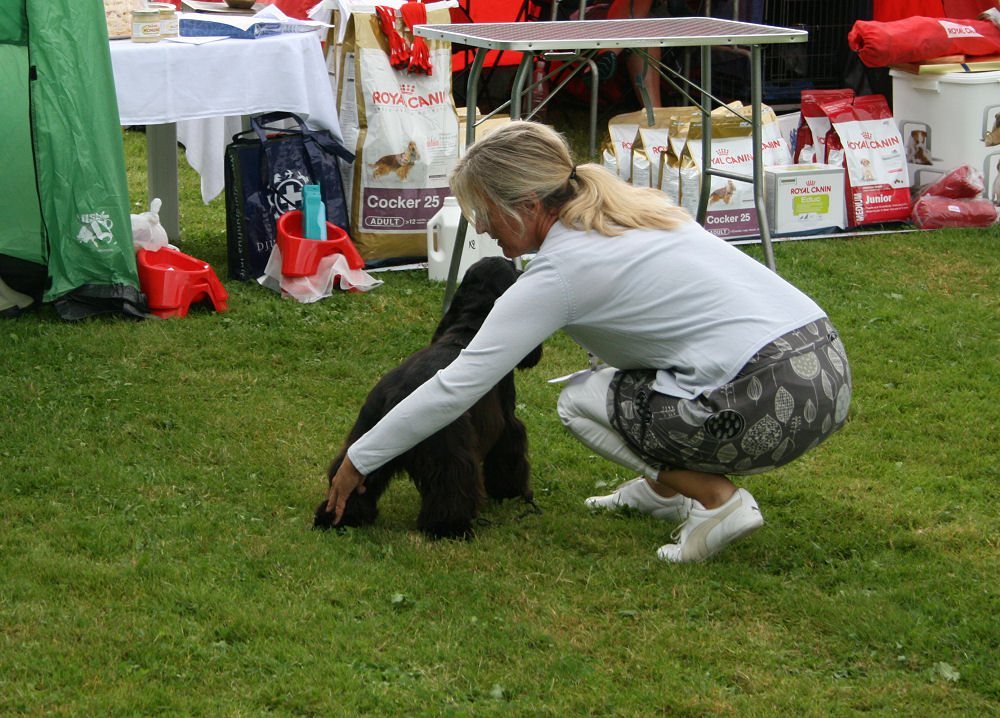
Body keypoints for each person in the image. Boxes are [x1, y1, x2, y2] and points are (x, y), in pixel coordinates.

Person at [326, 120, 852, 563]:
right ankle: (665, 492)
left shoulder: (558, 273)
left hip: (779, 400)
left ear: (528, 205)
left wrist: (360, 458)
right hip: (826, 368)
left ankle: (717, 502)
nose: (484, 231)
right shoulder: (637, 207)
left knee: (578, 401)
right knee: (621, 382)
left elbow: (456, 386)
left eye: (485, 214)